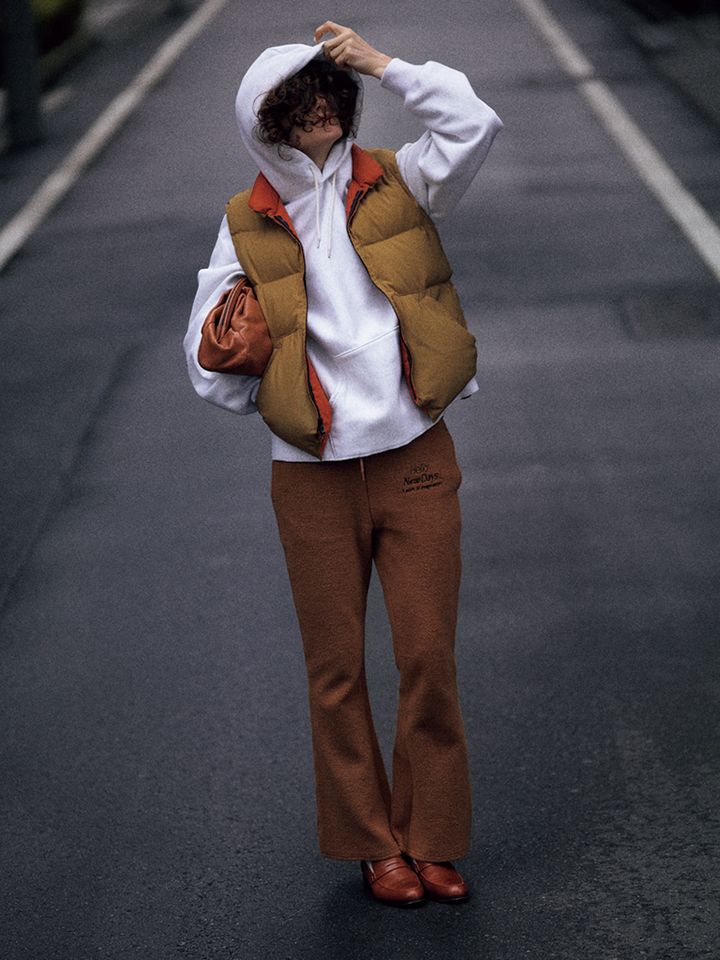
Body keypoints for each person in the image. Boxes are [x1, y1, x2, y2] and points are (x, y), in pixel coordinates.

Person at [183, 21, 503, 907]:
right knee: (336, 672)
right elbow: (204, 360)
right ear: (266, 124)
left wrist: (382, 64)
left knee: (428, 657)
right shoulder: (244, 224)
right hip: (311, 476)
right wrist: (281, 394)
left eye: (332, 92)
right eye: (299, 101)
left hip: (415, 457)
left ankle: (432, 838)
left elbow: (472, 124)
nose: (322, 109)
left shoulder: (400, 181)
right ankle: (374, 846)